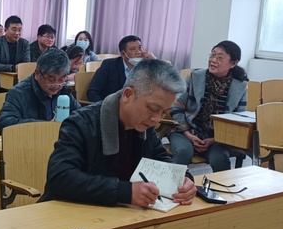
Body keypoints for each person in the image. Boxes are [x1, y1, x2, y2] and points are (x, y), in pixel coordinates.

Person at [41, 59, 195, 207]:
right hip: (70, 210)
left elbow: (161, 160)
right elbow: (60, 178)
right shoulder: (82, 123)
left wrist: (183, 180)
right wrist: (125, 192)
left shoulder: (144, 126)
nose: (156, 119)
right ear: (128, 95)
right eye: (153, 109)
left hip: (118, 213)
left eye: (164, 112)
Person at [168, 41, 248, 172]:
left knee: (220, 159)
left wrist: (213, 140)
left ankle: (220, 186)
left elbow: (238, 122)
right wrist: (188, 134)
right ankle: (169, 184)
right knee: (183, 152)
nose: (213, 60)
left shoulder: (240, 87)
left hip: (217, 139)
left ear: (233, 63)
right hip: (185, 131)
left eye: (220, 57)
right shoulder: (195, 77)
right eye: (212, 55)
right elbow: (176, 107)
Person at [0, 47, 80, 132]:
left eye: (61, 79)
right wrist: (45, 126)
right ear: (37, 74)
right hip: (30, 139)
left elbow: (80, 115)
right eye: (51, 79)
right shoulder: (18, 93)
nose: (56, 84)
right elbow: (4, 122)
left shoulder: (64, 92)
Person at [88, 35, 155, 102]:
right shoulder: (109, 65)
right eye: (133, 49)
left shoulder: (145, 67)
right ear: (123, 54)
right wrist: (105, 106)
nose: (139, 52)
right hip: (112, 105)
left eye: (140, 48)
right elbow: (92, 92)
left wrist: (154, 61)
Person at [0, 15, 31, 95]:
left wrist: (4, 69)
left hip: (18, 83)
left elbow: (25, 64)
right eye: (14, 30)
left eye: (19, 30)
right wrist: (13, 68)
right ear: (6, 30)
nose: (17, 33)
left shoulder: (24, 44)